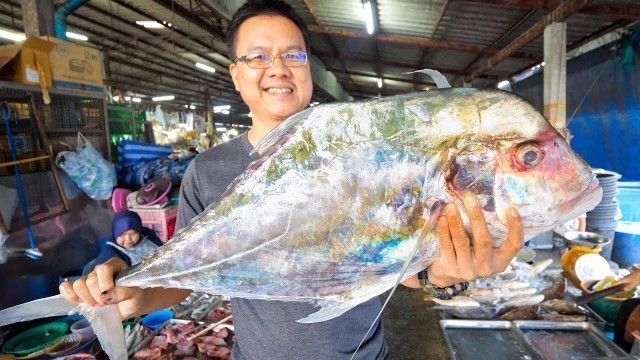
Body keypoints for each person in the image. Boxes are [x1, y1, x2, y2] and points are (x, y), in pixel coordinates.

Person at [59, 1, 524, 358]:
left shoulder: (361, 154)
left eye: (292, 55)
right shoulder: (209, 170)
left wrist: (444, 275)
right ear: (236, 75)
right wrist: (131, 297)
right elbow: (193, 279)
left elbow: (392, 261)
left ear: (307, 69)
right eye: (258, 56)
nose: (277, 68)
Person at [93, 210, 163, 267]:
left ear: (139, 230)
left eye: (133, 234)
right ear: (115, 234)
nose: (128, 239)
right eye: (122, 235)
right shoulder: (110, 255)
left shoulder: (148, 234)